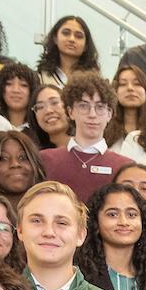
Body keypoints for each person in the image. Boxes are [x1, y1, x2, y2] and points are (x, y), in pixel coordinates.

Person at [36, 71, 134, 201]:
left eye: (100, 107)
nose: (92, 114)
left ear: (109, 114)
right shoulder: (46, 159)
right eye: (83, 106)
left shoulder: (125, 166)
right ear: (70, 112)